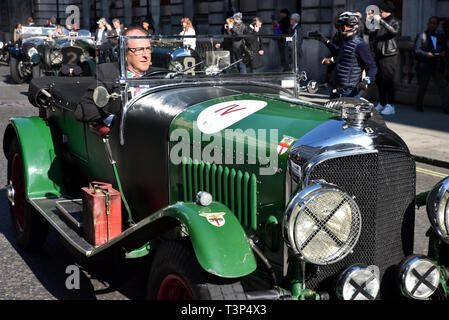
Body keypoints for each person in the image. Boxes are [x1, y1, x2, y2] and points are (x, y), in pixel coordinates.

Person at [75, 27, 164, 124]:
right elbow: (84, 108)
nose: (146, 55)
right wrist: (115, 121)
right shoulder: (108, 73)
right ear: (125, 53)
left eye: (148, 49)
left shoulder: (162, 76)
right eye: (139, 50)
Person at [324, 12, 377, 99]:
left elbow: (372, 66)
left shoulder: (361, 45)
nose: (343, 29)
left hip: (350, 92)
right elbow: (340, 52)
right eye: (341, 26)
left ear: (353, 27)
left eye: (345, 26)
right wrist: (325, 40)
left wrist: (366, 81)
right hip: (336, 89)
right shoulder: (345, 41)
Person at [366, 1, 400, 115]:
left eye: (381, 11)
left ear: (386, 12)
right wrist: (369, 19)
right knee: (379, 80)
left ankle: (391, 105)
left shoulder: (394, 21)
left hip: (389, 55)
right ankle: (382, 102)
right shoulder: (380, 21)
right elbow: (369, 32)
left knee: (389, 80)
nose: (379, 13)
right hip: (378, 54)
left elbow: (394, 32)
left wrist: (380, 21)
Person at [414, 16, 449, 114]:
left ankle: (446, 107)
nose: (433, 25)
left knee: (442, 86)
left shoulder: (440, 35)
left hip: (437, 64)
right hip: (425, 64)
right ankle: (418, 105)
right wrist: (426, 54)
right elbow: (417, 50)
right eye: (431, 23)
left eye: (435, 23)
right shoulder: (423, 35)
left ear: (437, 25)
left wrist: (442, 53)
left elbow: (445, 48)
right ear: (428, 24)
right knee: (422, 86)